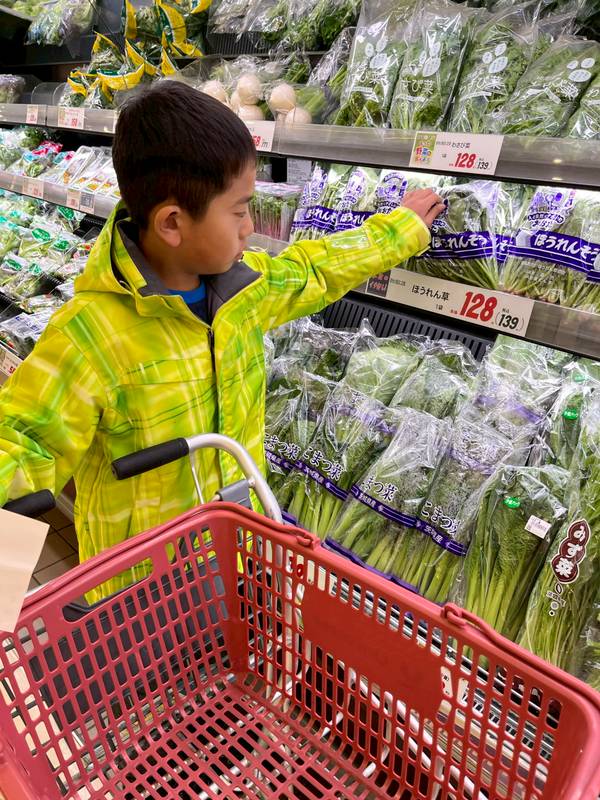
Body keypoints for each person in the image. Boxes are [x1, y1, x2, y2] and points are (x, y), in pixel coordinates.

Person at [0, 81, 444, 602]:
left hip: (240, 560)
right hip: (141, 598)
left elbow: (315, 270)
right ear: (173, 223)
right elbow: (21, 449)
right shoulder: (89, 336)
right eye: (238, 211)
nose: (250, 228)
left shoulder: (243, 289)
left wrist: (401, 230)